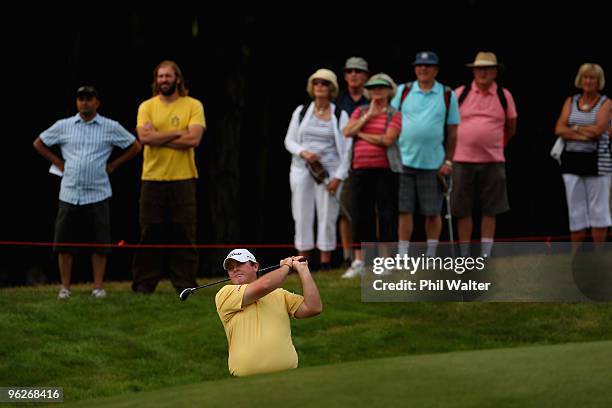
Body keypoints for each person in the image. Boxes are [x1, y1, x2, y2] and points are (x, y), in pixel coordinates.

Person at [33, 86, 142, 299]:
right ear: (76, 102)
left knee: (100, 242)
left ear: (97, 102)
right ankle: (65, 287)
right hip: (69, 192)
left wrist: (114, 165)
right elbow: (39, 143)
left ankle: (98, 287)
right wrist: (57, 161)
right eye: (81, 98)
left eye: (89, 98)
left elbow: (135, 146)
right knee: (64, 242)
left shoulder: (110, 126)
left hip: (98, 192)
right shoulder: (63, 126)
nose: (84, 102)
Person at [132, 60, 206, 294]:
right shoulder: (147, 106)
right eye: (160, 77)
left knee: (184, 232)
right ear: (156, 81)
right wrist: (177, 132)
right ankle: (144, 285)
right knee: (149, 232)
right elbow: (145, 139)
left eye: (168, 76)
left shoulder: (193, 105)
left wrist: (159, 135)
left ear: (177, 79)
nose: (164, 80)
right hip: (152, 179)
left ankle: (185, 285)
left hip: (183, 179)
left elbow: (193, 140)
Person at [391, 51, 460, 258]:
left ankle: (431, 255)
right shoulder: (403, 90)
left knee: (433, 212)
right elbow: (391, 120)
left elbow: (453, 132)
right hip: (403, 162)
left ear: (436, 69)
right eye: (419, 65)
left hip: (434, 164)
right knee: (404, 211)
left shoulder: (447, 94)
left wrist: (448, 161)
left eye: (428, 66)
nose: (423, 69)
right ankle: (403, 255)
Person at [215, 249, 322, 376]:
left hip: (288, 376)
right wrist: (286, 267)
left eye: (240, 264)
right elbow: (264, 285)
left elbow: (313, 308)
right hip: (246, 382)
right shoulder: (225, 294)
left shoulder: (280, 294)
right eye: (230, 268)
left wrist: (303, 270)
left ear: (255, 266)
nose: (235, 269)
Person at [452, 52, 518, 258]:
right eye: (479, 69)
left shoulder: (503, 95)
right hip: (462, 160)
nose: (483, 73)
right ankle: (464, 254)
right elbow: (449, 126)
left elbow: (511, 126)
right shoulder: (460, 93)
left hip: (493, 160)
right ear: (473, 71)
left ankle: (485, 255)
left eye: (487, 69)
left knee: (491, 209)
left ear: (495, 72)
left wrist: (494, 144)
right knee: (463, 209)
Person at [284, 68, 349, 270]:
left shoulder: (340, 114)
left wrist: (339, 177)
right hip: (303, 169)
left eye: (324, 83)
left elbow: (347, 150)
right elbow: (289, 140)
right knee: (301, 214)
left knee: (327, 215)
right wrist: (304, 152)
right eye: (316, 83)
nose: (320, 86)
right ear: (312, 87)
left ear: (332, 89)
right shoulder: (301, 111)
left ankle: (325, 262)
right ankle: (303, 262)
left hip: (329, 172)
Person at [341, 73, 402, 278]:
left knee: (386, 215)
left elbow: (387, 140)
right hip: (360, 170)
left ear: (388, 90)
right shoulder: (361, 110)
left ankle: (386, 262)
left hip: (385, 171)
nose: (377, 90)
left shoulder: (394, 114)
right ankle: (359, 261)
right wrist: (368, 117)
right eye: (374, 87)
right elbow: (347, 131)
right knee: (361, 214)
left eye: (381, 87)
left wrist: (362, 133)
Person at [554, 63, 611, 251]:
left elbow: (598, 130)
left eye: (592, 78)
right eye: (585, 77)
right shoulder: (571, 101)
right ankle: (576, 255)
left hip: (598, 163)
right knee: (575, 210)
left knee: (599, 209)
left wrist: (575, 129)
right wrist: (582, 132)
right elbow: (559, 129)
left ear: (598, 81)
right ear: (580, 79)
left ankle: (598, 254)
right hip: (571, 161)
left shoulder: (606, 103)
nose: (588, 81)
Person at [336, 57, 370, 267]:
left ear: (366, 76)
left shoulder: (374, 99)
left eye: (358, 71)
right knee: (346, 209)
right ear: (345, 75)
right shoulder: (338, 102)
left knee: (371, 211)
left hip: (369, 160)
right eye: (350, 71)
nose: (354, 74)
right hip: (344, 162)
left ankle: (370, 256)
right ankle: (348, 257)